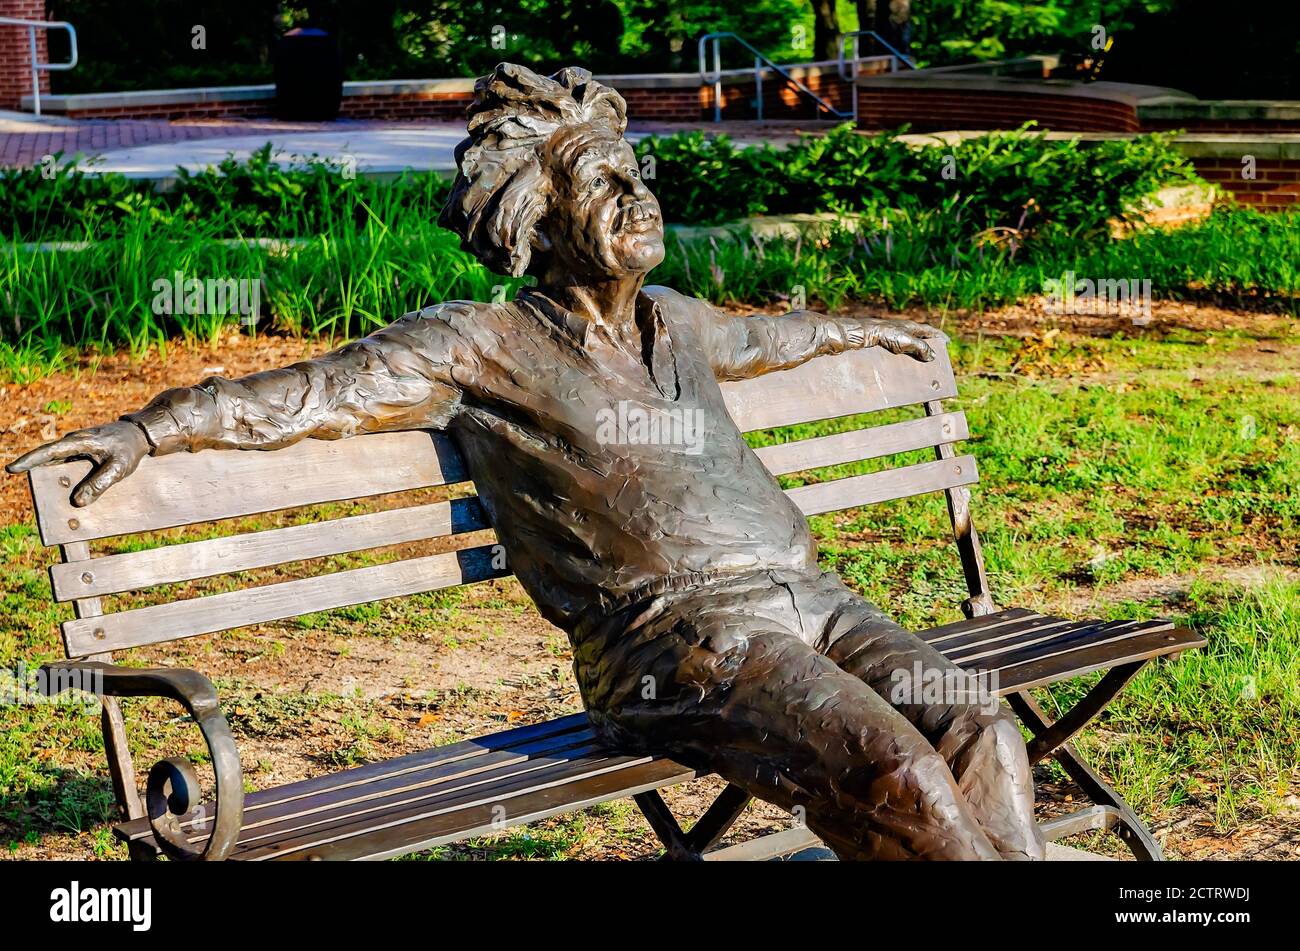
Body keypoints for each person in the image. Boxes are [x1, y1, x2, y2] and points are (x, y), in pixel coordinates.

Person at [9, 63, 1044, 860]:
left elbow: (784, 338)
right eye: (602, 183)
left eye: (636, 176)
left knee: (979, 726)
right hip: (679, 650)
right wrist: (150, 427)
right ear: (537, 216)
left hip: (809, 601)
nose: (636, 199)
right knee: (898, 775)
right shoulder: (481, 346)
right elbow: (315, 392)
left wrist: (882, 332)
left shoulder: (678, 322)